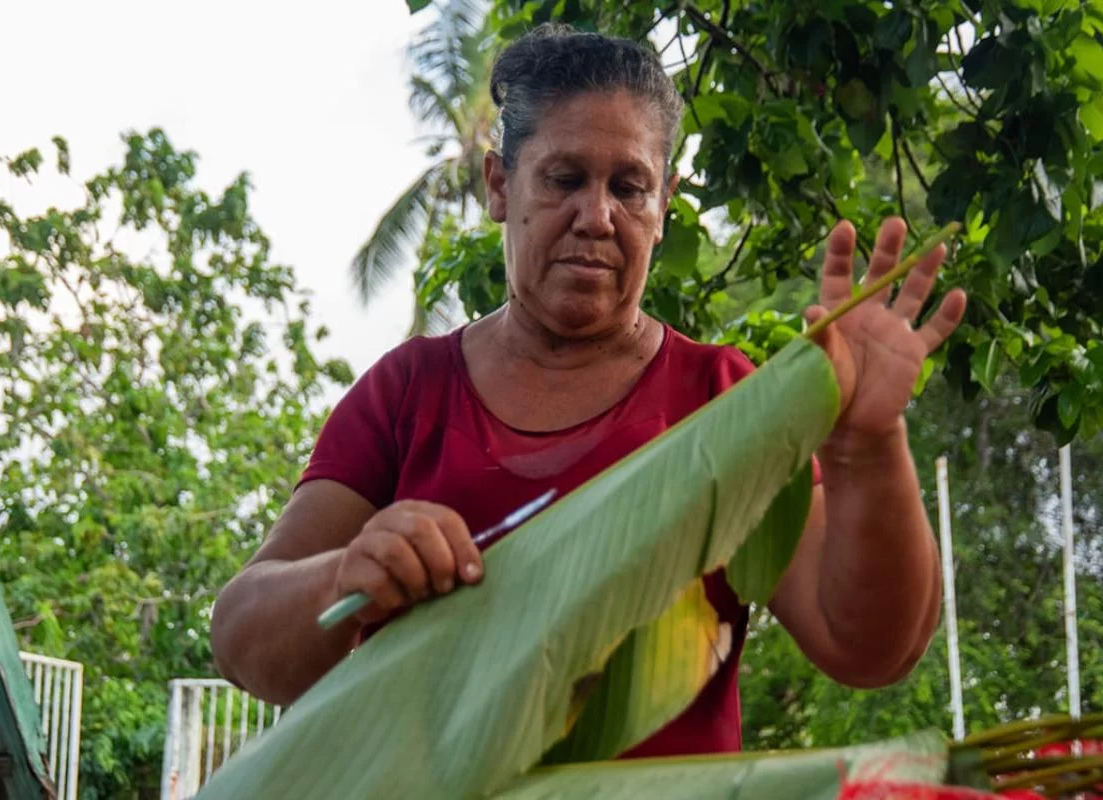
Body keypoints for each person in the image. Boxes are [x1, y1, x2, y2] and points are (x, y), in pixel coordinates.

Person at [210, 24, 966, 757]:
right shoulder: (406, 393)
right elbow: (244, 638)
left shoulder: (724, 396)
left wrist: (869, 443)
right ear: (501, 184)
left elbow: (869, 648)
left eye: (629, 187)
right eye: (565, 179)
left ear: (663, 205)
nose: (597, 217)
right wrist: (348, 576)